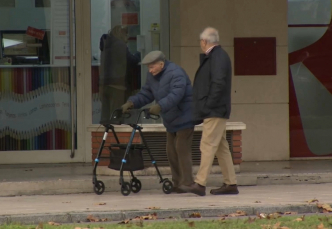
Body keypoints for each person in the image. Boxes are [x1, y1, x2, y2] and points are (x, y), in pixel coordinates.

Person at [121, 51, 194, 193]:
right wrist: (131, 103)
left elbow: (176, 95)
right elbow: (146, 94)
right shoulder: (152, 76)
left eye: (152, 67)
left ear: (161, 64)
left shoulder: (176, 73)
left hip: (185, 116)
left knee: (181, 149)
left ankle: (188, 182)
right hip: (170, 119)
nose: (150, 70)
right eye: (148, 67)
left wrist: (160, 106)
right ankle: (178, 183)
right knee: (171, 151)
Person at [179, 27, 238, 196]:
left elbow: (218, 84)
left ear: (204, 41)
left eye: (200, 42)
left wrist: (207, 106)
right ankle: (231, 183)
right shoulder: (218, 56)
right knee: (221, 147)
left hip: (215, 109)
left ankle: (199, 183)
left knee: (207, 145)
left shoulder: (217, 56)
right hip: (217, 108)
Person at [99, 25, 140, 122]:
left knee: (105, 117)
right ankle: (115, 136)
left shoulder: (106, 44)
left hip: (104, 84)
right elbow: (131, 60)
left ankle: (104, 136)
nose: (128, 36)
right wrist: (139, 54)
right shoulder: (120, 45)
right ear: (121, 33)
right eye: (126, 33)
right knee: (116, 116)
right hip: (117, 85)